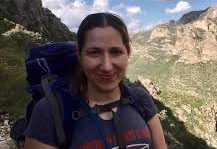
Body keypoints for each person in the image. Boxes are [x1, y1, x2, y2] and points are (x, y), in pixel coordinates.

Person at [24, 12, 167, 149]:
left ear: (128, 52)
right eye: (94, 53)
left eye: (116, 52)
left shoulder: (140, 99)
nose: (106, 66)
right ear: (79, 55)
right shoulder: (50, 111)